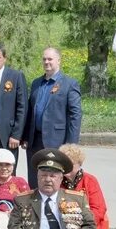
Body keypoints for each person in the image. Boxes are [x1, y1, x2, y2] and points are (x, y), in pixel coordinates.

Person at [22, 48, 81, 182]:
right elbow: (31, 111)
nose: (46, 62)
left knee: (54, 179)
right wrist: (25, 137)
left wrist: (71, 146)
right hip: (34, 141)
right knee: (34, 178)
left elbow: (75, 115)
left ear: (58, 61)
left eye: (50, 59)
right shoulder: (36, 83)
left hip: (56, 141)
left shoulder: (69, 84)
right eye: (44, 59)